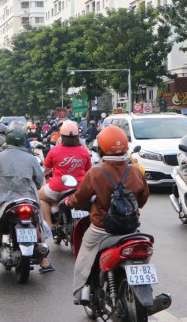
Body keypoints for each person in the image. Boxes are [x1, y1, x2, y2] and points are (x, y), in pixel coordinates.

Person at [62, 126, 149, 301]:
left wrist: (68, 203)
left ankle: (83, 292)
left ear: (100, 149)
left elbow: (79, 198)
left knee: (85, 253)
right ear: (125, 147)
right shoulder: (135, 171)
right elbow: (143, 198)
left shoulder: (96, 172)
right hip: (131, 229)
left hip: (102, 229)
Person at [0, 122, 45, 275]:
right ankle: (45, 261)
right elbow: (40, 181)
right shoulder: (31, 158)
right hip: (28, 198)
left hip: (2, 200)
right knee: (37, 221)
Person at [37, 120, 92, 273]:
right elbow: (89, 170)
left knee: (40, 196)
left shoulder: (54, 151)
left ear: (60, 136)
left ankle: (48, 224)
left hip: (57, 188)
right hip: (79, 189)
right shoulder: (83, 151)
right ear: (77, 136)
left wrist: (40, 179)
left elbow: (46, 170)